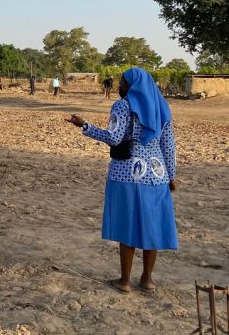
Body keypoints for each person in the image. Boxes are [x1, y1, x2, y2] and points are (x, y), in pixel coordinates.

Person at [66, 68, 178, 293]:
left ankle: (125, 280)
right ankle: (147, 280)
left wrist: (85, 126)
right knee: (152, 226)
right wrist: (171, 175)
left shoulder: (123, 105)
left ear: (131, 85)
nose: (120, 87)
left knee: (128, 226)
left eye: (122, 83)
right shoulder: (161, 107)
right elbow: (169, 145)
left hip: (126, 174)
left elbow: (114, 137)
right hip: (157, 176)